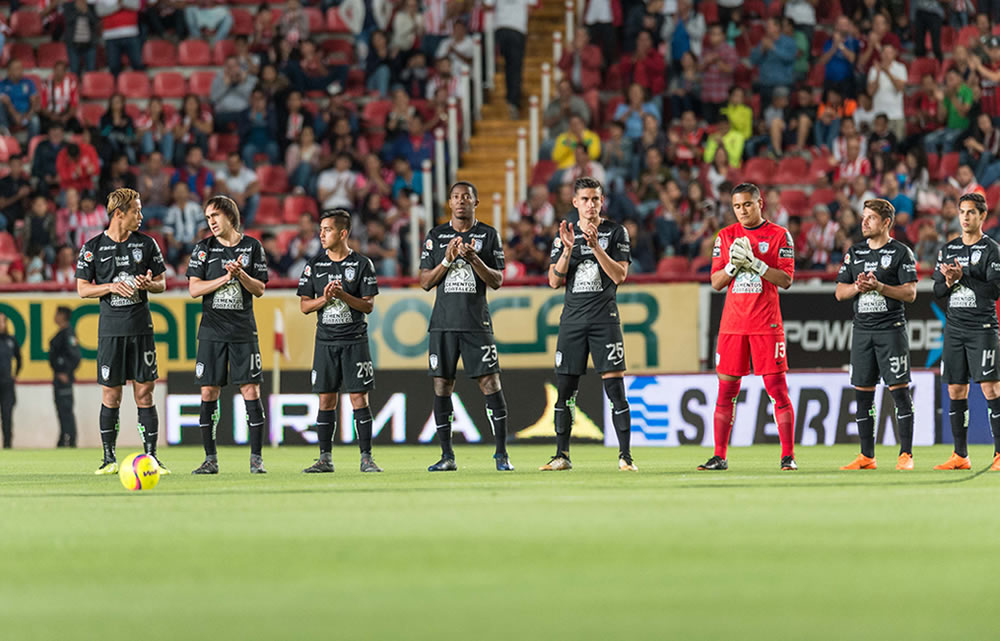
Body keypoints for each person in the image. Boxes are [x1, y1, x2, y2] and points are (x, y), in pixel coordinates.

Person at [699, 183, 797, 472]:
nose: (742, 211)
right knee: (726, 391)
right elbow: (716, 282)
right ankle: (719, 456)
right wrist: (732, 267)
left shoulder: (779, 235)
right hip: (733, 325)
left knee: (777, 390)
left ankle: (788, 456)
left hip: (766, 323)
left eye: (747, 205)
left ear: (760, 203)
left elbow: (786, 280)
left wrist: (756, 264)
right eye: (737, 206)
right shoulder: (726, 236)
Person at [539, 176, 635, 472]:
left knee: (615, 390)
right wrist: (568, 250)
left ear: (602, 201)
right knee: (565, 392)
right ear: (575, 202)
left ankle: (625, 457)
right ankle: (561, 456)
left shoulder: (615, 232)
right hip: (572, 322)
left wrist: (596, 247)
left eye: (595, 199)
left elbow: (619, 276)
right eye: (585, 199)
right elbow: (554, 281)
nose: (591, 204)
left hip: (604, 320)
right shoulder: (565, 234)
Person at [418, 182, 512, 471]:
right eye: (456, 197)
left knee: (490, 383)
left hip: (476, 323)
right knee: (442, 385)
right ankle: (447, 456)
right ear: (449, 203)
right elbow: (425, 282)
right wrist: (447, 260)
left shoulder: (488, 235)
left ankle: (501, 455)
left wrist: (474, 259)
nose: (461, 201)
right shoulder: (436, 236)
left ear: (475, 202)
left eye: (466, 197)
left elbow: (497, 280)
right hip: (443, 324)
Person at [75, 188, 168, 475]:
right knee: (111, 394)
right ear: (119, 214)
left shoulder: (147, 244)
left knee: (145, 393)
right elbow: (82, 289)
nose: (141, 216)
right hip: (111, 331)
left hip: (141, 328)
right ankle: (108, 459)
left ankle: (151, 458)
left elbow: (162, 283)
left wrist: (149, 285)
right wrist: (111, 287)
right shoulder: (92, 247)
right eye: (136, 211)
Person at [187, 196, 269, 475]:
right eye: (208, 217)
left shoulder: (252, 247)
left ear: (230, 216)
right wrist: (225, 278)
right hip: (212, 331)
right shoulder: (203, 249)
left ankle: (256, 459)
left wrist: (241, 275)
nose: (211, 221)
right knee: (209, 390)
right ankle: (210, 459)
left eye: (215, 215)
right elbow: (194, 289)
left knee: (251, 390)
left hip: (242, 330)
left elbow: (259, 289)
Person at [834, 199, 918, 471]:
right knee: (862, 394)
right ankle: (866, 456)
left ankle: (906, 455)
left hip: (890, 331)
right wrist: (858, 288)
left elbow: (910, 293)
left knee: (899, 392)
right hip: (862, 331)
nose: (864, 222)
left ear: (886, 223)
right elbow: (840, 292)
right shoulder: (855, 252)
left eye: (871, 217)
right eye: (863, 217)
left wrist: (880, 286)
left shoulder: (901, 252)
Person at [297, 210, 383, 473]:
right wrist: (325, 298)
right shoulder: (314, 265)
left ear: (343, 233)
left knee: (359, 398)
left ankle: (366, 458)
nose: (322, 234)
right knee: (326, 400)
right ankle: (325, 459)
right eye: (321, 229)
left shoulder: (362, 264)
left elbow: (368, 306)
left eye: (328, 229)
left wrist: (343, 296)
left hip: (354, 341)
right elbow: (304, 306)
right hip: (325, 341)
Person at [932, 193, 1000, 472]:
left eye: (971, 212)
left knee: (991, 388)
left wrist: (964, 278)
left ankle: (999, 454)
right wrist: (949, 282)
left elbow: (994, 291)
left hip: (982, 328)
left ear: (983, 216)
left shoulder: (992, 250)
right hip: (955, 329)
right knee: (955, 388)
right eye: (962, 211)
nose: (965, 217)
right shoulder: (948, 249)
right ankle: (960, 455)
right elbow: (937, 291)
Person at [488, 0, 529, 118]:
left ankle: (510, 99)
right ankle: (512, 101)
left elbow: (487, 5)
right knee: (514, 67)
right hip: (517, 29)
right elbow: (530, 7)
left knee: (504, 65)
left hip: (501, 28)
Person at [49, 306, 81, 448]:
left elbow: (75, 356)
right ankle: (63, 438)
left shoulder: (68, 334)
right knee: (61, 409)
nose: (55, 317)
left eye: (57, 314)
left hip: (64, 379)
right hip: (58, 377)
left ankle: (70, 439)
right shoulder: (61, 333)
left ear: (62, 316)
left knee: (66, 409)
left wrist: (66, 372)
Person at [0, 313, 22, 449]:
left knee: (7, 414)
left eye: (2, 321)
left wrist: (15, 374)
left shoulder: (11, 340)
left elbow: (19, 359)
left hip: (7, 383)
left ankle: (7, 444)